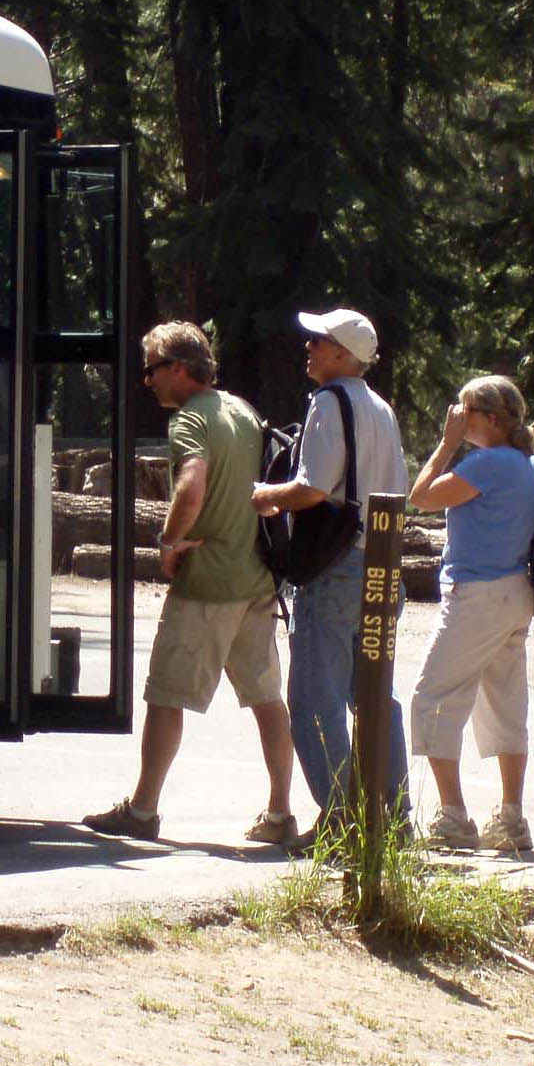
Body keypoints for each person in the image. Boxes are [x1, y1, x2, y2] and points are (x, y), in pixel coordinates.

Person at [83, 322, 297, 845]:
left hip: (207, 584)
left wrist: (168, 542)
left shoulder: (189, 421)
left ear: (179, 369)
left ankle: (143, 810)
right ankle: (280, 814)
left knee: (166, 696)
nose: (147, 380)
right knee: (267, 697)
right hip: (256, 580)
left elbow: (192, 484)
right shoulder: (240, 409)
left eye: (153, 369)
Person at [252, 308, 410, 838]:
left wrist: (264, 497)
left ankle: (343, 820)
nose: (310, 348)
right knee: (372, 696)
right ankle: (392, 820)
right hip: (382, 564)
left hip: (336, 567)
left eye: (319, 341)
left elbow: (314, 487)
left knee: (314, 700)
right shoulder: (381, 408)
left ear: (343, 355)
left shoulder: (327, 401)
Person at [407, 377, 534, 852]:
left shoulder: (487, 463)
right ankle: (511, 818)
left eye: (465, 410)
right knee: (506, 704)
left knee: (431, 698)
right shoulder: (532, 465)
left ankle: (453, 818)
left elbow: (421, 496)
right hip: (515, 592)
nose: (456, 415)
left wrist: (447, 444)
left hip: (478, 595)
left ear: (490, 419)